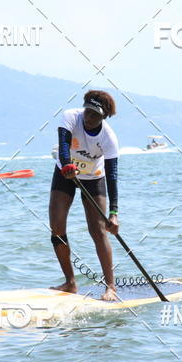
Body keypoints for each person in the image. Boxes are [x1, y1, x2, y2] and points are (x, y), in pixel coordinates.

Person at [49, 90, 120, 301]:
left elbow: (112, 176)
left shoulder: (109, 138)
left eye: (95, 115)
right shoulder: (71, 116)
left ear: (104, 116)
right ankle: (70, 283)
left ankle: (110, 287)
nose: (88, 118)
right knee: (56, 228)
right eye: (87, 111)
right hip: (65, 172)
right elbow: (64, 145)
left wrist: (114, 213)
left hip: (94, 178)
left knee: (98, 230)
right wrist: (67, 164)